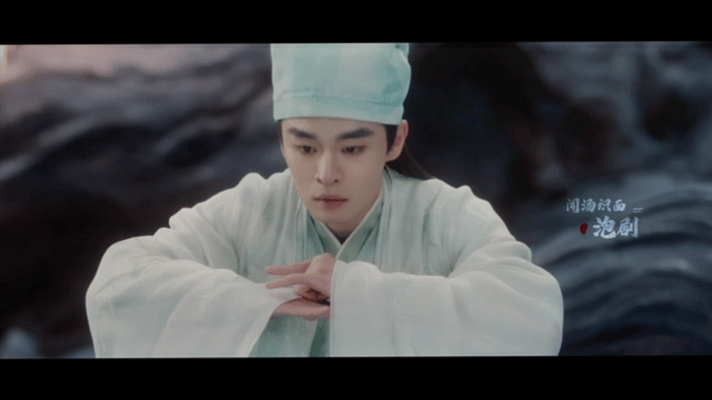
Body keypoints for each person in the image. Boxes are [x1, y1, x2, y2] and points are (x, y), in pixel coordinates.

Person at [86, 43, 564, 357]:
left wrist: (355, 290)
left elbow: (531, 313)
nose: (326, 173)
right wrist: (252, 302)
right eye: (305, 147)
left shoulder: (446, 215)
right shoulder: (248, 211)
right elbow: (118, 285)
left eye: (352, 149)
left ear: (395, 141)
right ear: (281, 141)